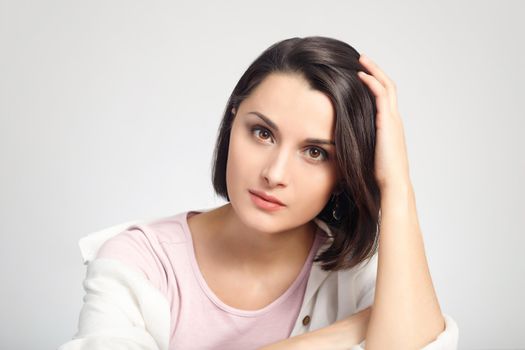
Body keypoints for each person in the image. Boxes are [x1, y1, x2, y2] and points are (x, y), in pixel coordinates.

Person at [59, 36, 459, 349]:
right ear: (233, 119)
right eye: (263, 133)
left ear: (344, 171)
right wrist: (338, 336)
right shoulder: (140, 261)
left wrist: (397, 184)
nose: (275, 173)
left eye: (315, 152)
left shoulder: (356, 268)